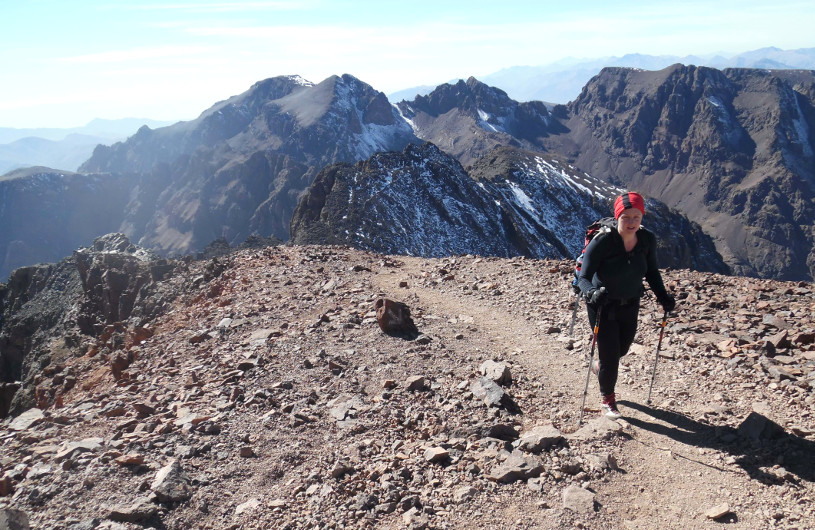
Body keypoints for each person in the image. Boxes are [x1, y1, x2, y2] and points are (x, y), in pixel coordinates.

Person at [577, 192, 675, 418]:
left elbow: (651, 271)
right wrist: (592, 293)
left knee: (622, 349)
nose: (631, 222)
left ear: (642, 217)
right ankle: (608, 399)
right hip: (602, 305)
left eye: (636, 217)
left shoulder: (647, 240)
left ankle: (601, 368)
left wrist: (663, 296)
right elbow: (584, 277)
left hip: (630, 303)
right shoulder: (602, 241)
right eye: (626, 217)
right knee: (611, 355)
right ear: (617, 216)